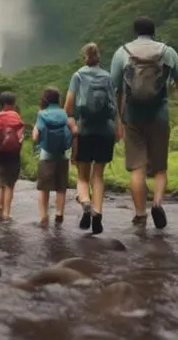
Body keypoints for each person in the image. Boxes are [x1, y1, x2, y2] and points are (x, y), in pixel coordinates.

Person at [109, 16, 178, 229]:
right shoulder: (167, 51)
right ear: (154, 31)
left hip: (133, 117)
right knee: (160, 168)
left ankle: (140, 214)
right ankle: (157, 203)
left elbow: (116, 89)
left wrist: (119, 117)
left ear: (135, 31)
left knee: (137, 168)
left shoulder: (122, 52)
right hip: (160, 115)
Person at [64, 42, 117, 235]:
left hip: (84, 130)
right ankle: (98, 213)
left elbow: (69, 107)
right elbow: (114, 107)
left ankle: (85, 202)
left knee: (82, 176)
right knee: (98, 176)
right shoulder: (108, 77)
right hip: (105, 131)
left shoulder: (78, 76)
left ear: (84, 57)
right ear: (99, 57)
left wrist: (71, 124)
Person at [32, 87, 76, 227]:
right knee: (61, 188)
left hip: (46, 156)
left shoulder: (42, 114)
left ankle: (43, 217)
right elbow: (75, 132)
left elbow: (35, 136)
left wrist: (35, 131)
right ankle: (59, 214)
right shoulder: (64, 114)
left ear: (44, 100)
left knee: (43, 189)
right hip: (63, 156)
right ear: (58, 99)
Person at [0, 91, 25, 221]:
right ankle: (7, 214)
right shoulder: (17, 117)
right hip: (13, 155)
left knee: (0, 184)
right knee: (9, 185)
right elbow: (21, 139)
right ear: (14, 103)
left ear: (1, 103)